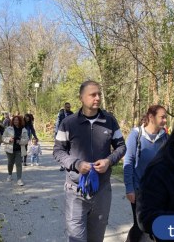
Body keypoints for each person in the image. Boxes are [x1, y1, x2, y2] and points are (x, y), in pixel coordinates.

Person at [53, 80, 126, 242]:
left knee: (96, 239)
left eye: (99, 94)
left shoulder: (110, 121)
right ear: (81, 98)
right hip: (75, 191)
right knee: (76, 239)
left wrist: (109, 161)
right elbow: (58, 151)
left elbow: (121, 147)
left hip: (102, 191)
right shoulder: (68, 123)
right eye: (93, 94)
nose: (97, 98)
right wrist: (76, 164)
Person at [123, 104, 168, 242]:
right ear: (151, 117)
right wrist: (129, 188)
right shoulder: (136, 134)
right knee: (140, 225)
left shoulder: (166, 137)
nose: (165, 120)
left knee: (153, 224)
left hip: (159, 190)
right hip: (139, 190)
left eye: (166, 117)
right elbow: (128, 161)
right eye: (162, 117)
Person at [2, 115, 29, 186]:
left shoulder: (24, 130)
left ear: (20, 121)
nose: (15, 121)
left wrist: (20, 141)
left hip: (19, 150)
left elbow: (26, 140)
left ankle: (19, 179)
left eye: (17, 120)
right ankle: (10, 174)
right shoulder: (8, 129)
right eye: (14, 120)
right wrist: (9, 140)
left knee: (18, 164)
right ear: (12, 121)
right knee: (10, 163)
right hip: (10, 149)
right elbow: (3, 138)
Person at [55, 102, 73, 171]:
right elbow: (57, 123)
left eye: (69, 107)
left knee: (69, 148)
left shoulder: (72, 114)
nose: (68, 108)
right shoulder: (60, 114)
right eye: (67, 107)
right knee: (62, 148)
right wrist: (57, 132)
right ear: (65, 107)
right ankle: (62, 165)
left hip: (69, 132)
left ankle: (68, 163)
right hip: (62, 132)